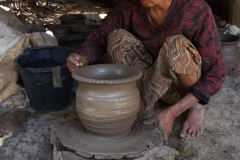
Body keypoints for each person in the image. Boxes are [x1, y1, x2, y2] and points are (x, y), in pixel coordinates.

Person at [67, 0, 227, 138]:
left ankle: (195, 107)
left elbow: (216, 73)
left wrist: (172, 112)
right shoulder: (130, 6)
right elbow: (100, 36)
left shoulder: (195, 10)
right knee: (117, 38)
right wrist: (82, 57)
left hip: (183, 88)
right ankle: (142, 99)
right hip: (152, 82)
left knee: (175, 46)